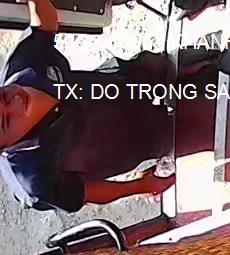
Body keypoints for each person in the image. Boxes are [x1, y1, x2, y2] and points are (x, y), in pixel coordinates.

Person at [0, 0, 184, 212]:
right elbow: (86, 193)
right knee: (179, 134)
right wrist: (141, 186)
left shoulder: (22, 65)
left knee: (163, 67)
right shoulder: (33, 179)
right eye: (6, 121)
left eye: (3, 97)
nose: (17, 102)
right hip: (128, 142)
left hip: (118, 85)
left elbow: (44, 27)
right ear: (4, 149)